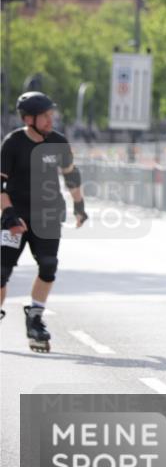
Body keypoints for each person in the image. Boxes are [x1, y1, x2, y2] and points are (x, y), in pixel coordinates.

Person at [1, 92, 88, 353]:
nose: (51, 120)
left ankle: (35, 317)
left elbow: (71, 175)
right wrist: (8, 213)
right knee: (2, 271)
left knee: (49, 265)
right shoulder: (13, 143)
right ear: (29, 119)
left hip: (48, 216)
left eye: (52, 115)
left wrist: (79, 205)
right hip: (16, 217)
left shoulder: (58, 142)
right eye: (45, 116)